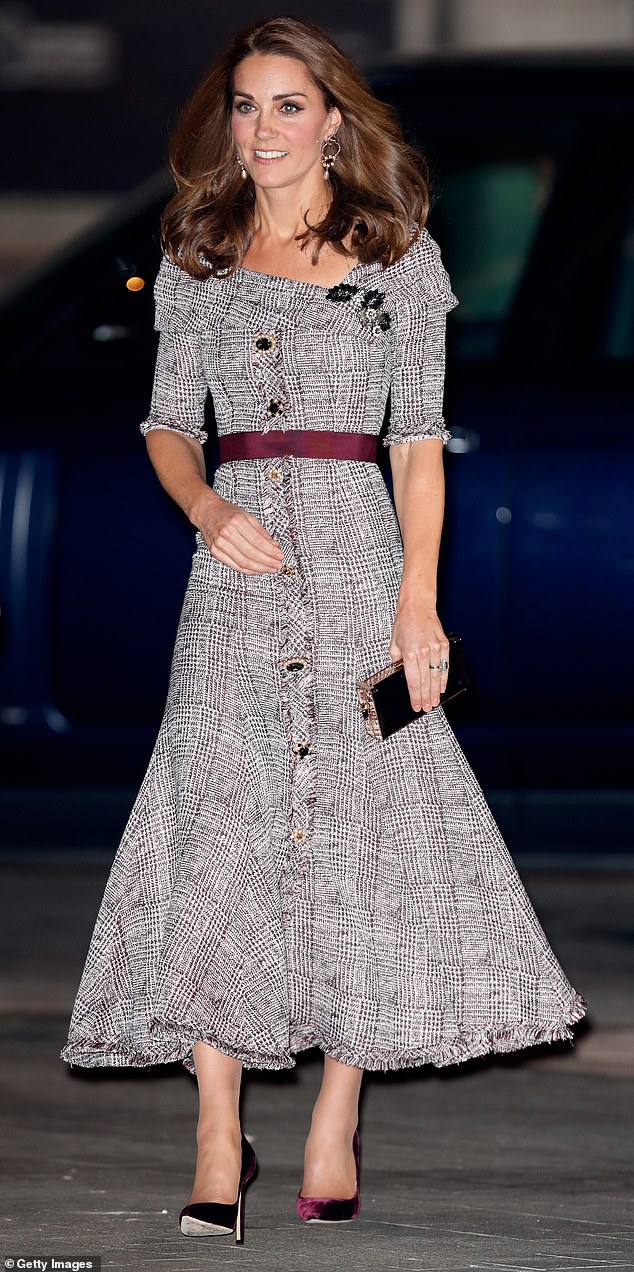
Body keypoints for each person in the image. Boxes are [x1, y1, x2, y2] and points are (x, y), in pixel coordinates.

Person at [60, 15, 587, 1245]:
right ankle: (211, 1132)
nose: (263, 128)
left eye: (288, 105)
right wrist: (203, 504)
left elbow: (417, 445)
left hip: (357, 560)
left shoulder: (398, 257)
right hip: (233, 572)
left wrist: (417, 604)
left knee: (362, 833)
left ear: (334, 121)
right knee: (217, 820)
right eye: (245, 106)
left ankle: (337, 1118)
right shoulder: (194, 250)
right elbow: (162, 421)